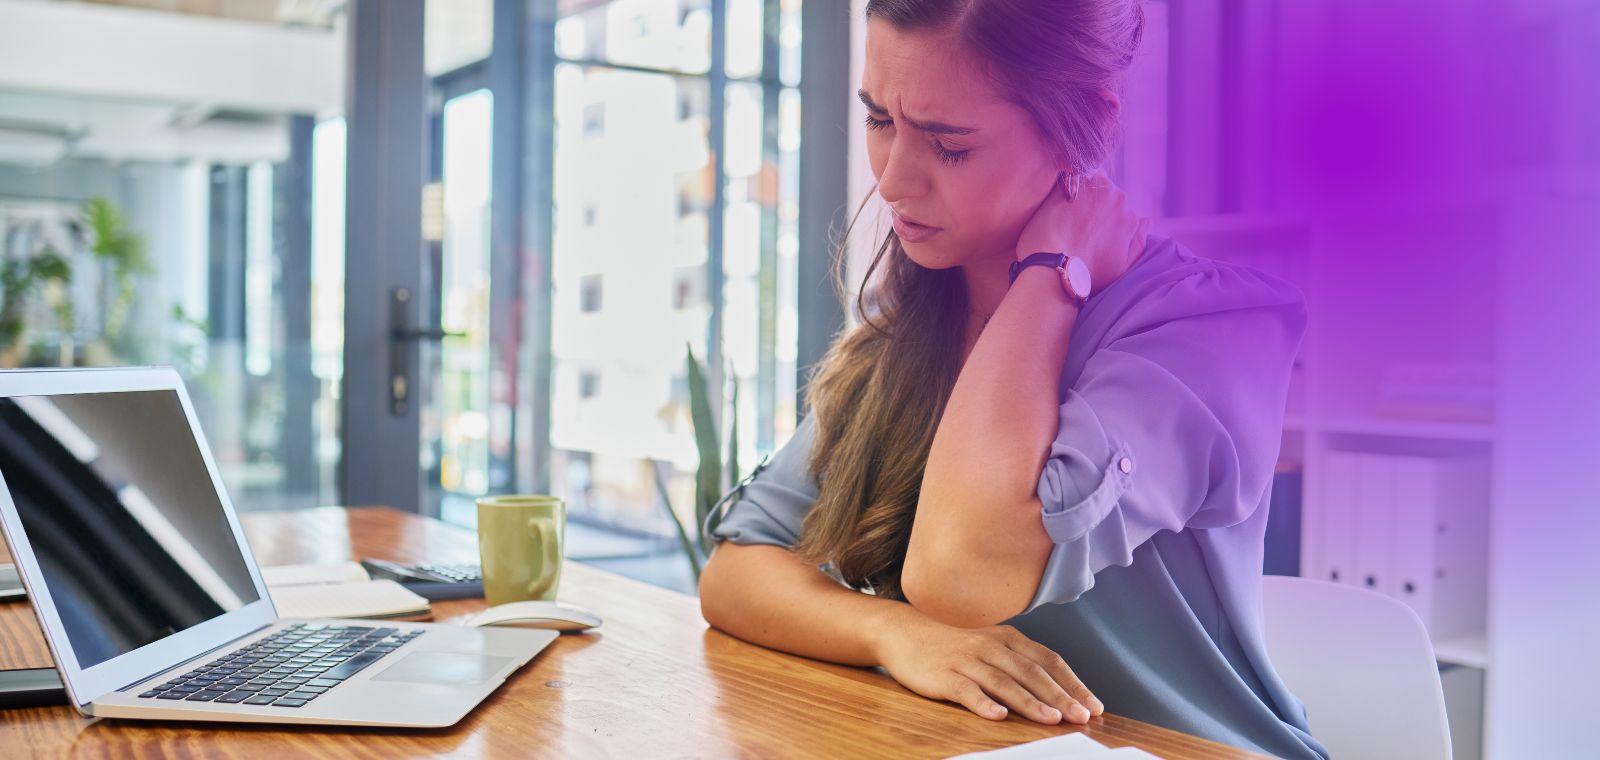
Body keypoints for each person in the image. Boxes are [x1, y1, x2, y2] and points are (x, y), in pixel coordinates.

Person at [697, 1, 1328, 757]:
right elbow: (737, 570)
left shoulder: (1217, 327)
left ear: (1084, 125)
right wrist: (892, 632)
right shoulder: (916, 321)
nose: (895, 180)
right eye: (878, 120)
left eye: (948, 145)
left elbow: (960, 572)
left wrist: (1049, 278)